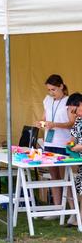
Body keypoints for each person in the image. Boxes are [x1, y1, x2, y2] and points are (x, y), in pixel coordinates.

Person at [41, 74, 75, 209]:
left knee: (66, 177)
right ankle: (57, 207)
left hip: (63, 143)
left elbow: (72, 123)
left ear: (61, 86)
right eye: (49, 90)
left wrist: (55, 124)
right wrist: (41, 124)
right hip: (50, 143)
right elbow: (43, 118)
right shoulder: (47, 100)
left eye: (53, 89)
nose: (51, 92)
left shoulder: (69, 101)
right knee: (54, 176)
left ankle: (73, 209)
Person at [66, 93, 82, 227]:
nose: (74, 114)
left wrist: (79, 147)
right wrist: (70, 144)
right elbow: (73, 136)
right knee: (80, 188)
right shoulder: (78, 120)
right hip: (80, 160)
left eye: (74, 110)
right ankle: (79, 216)